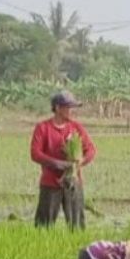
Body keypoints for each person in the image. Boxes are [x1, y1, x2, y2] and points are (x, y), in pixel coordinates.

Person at [30, 91, 96, 229]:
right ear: (58, 108)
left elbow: (91, 149)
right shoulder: (43, 128)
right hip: (50, 183)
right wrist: (59, 164)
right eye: (68, 107)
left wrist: (80, 161)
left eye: (72, 107)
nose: (71, 111)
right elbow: (35, 153)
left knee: (77, 226)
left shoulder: (76, 128)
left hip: (73, 183)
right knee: (44, 227)